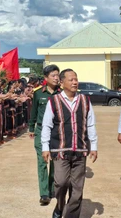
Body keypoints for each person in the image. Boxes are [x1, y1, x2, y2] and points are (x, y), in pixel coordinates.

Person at [42, 68, 98, 218]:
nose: (75, 82)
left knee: (77, 187)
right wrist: (45, 147)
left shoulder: (85, 100)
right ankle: (60, 207)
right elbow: (46, 125)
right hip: (60, 150)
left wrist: (94, 146)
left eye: (76, 79)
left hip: (80, 150)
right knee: (60, 183)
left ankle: (71, 215)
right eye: (71, 79)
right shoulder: (53, 101)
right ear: (62, 82)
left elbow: (91, 124)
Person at [29, 64, 61, 206]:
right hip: (41, 130)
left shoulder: (61, 93)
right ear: (46, 78)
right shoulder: (38, 93)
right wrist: (31, 127)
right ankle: (44, 193)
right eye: (53, 75)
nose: (56, 78)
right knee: (42, 162)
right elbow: (34, 111)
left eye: (57, 75)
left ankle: (52, 188)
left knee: (55, 160)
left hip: (56, 131)